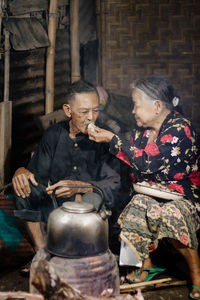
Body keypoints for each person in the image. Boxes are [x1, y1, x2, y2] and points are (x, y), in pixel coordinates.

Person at [88, 75, 200, 300]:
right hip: (151, 196)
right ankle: (145, 267)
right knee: (134, 208)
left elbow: (149, 164)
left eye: (136, 104)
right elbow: (135, 168)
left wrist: (113, 139)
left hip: (183, 197)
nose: (133, 111)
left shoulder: (180, 129)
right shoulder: (143, 132)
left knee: (171, 214)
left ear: (157, 106)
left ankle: (197, 275)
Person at [12, 79, 123, 272]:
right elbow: (36, 174)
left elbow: (113, 183)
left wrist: (79, 187)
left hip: (91, 204)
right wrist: (20, 172)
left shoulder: (106, 137)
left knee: (87, 198)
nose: (91, 118)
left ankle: (80, 256)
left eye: (96, 110)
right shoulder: (54, 134)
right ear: (68, 110)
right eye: (84, 111)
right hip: (57, 201)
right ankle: (42, 253)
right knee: (24, 188)